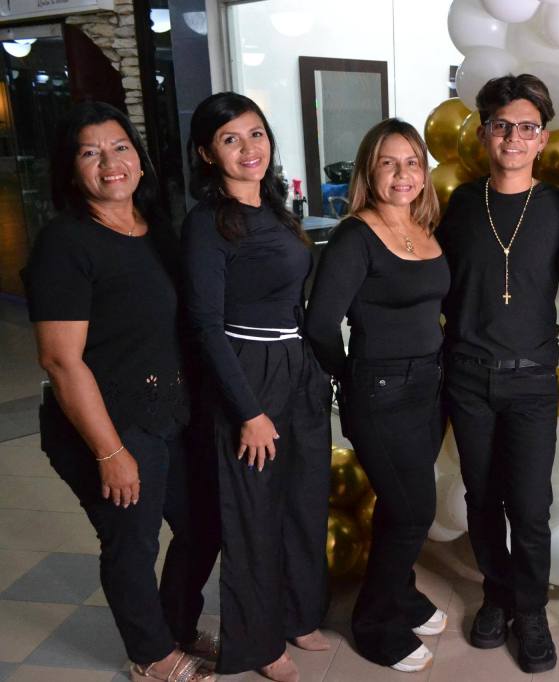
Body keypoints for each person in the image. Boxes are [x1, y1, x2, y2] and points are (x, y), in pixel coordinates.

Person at [25, 101, 216, 682]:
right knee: (131, 542)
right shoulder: (66, 243)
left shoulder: (156, 229)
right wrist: (110, 451)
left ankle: (175, 626)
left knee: (204, 523)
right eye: (91, 153)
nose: (110, 163)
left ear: (139, 157)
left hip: (171, 411)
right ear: (70, 169)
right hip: (108, 421)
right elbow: (61, 360)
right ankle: (151, 655)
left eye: (120, 147)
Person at [181, 92, 333, 682]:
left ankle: (298, 614)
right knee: (253, 515)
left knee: (303, 501)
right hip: (248, 371)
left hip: (296, 365)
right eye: (231, 139)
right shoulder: (207, 224)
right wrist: (247, 411)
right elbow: (205, 324)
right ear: (206, 153)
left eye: (256, 134)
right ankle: (257, 642)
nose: (249, 148)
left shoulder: (275, 208)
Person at [437, 73, 559, 674]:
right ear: (484, 134)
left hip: (532, 381)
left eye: (526, 128)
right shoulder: (462, 205)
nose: (513, 138)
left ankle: (531, 610)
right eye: (501, 126)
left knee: (531, 504)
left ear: (542, 138)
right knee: (482, 498)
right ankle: (497, 596)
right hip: (468, 376)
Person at [306, 119, 450, 673]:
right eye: (389, 163)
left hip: (429, 387)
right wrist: (351, 378)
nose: (402, 173)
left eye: (412, 162)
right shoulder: (355, 236)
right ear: (370, 171)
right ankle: (373, 622)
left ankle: (401, 593)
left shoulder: (425, 227)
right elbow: (320, 324)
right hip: (380, 392)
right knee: (415, 510)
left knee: (398, 504)